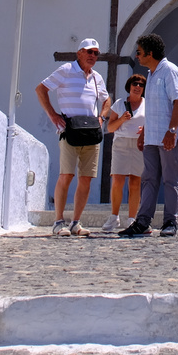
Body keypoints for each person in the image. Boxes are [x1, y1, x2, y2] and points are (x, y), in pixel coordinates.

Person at [35, 38, 110, 237]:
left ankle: (76, 222)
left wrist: (102, 116)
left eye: (95, 53)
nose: (93, 56)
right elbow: (41, 88)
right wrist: (52, 115)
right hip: (69, 130)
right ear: (79, 53)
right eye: (89, 52)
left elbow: (107, 98)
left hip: (91, 132)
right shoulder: (66, 70)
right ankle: (58, 222)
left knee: (86, 179)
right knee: (66, 175)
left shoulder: (96, 78)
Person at [119, 32, 178, 238]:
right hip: (152, 137)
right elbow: (153, 108)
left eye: (139, 52)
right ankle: (143, 221)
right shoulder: (151, 74)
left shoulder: (170, 71)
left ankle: (170, 221)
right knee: (148, 179)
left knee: (170, 178)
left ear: (150, 53)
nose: (137, 56)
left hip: (168, 136)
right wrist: (145, 134)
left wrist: (172, 130)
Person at [100, 74, 146, 232]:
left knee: (135, 183)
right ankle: (114, 217)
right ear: (129, 86)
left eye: (141, 84)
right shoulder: (120, 104)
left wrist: (144, 131)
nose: (138, 86)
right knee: (118, 181)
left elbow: (152, 124)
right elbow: (110, 128)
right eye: (135, 83)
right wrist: (122, 120)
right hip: (120, 144)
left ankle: (132, 218)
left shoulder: (147, 105)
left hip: (139, 145)